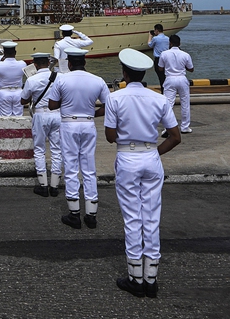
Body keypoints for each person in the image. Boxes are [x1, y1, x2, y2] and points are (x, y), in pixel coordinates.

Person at [105, 48, 182, 298]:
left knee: (132, 218)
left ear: (124, 73)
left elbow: (109, 137)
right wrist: (153, 153)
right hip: (151, 157)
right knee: (151, 217)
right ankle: (151, 279)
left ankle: (135, 278)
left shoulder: (115, 99)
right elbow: (175, 137)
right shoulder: (158, 99)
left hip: (128, 157)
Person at [47, 46, 110, 229]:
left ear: (70, 63)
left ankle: (74, 213)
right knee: (89, 168)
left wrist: (66, 102)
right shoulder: (97, 80)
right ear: (85, 62)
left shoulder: (62, 80)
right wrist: (91, 113)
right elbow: (108, 106)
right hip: (88, 123)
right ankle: (91, 214)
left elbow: (52, 105)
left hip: (68, 124)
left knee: (71, 167)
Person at [21, 52, 61, 197]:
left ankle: (43, 184)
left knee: (39, 149)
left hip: (40, 115)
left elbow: (23, 101)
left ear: (35, 64)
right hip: (57, 114)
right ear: (48, 62)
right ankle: (55, 185)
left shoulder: (32, 80)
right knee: (57, 149)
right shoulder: (59, 77)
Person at [158, 34, 194, 135]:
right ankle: (185, 127)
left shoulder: (164, 54)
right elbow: (191, 69)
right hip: (182, 79)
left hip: (169, 79)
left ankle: (167, 128)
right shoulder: (185, 55)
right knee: (185, 103)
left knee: (168, 104)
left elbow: (160, 68)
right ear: (180, 43)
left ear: (170, 43)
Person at [0, 41, 26, 117]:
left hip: (4, 92)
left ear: (4, 53)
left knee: (5, 117)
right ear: (15, 52)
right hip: (18, 92)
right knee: (18, 116)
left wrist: (1, 61)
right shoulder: (22, 63)